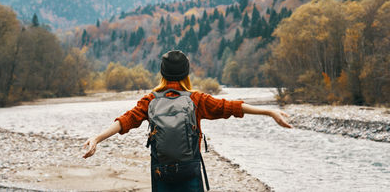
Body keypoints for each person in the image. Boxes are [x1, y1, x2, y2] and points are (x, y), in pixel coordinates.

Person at [83, 50, 292, 191]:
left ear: (162, 73)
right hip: (189, 170)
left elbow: (125, 121)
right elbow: (230, 107)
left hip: (160, 171)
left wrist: (97, 138)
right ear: (186, 73)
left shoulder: (150, 100)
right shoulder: (196, 99)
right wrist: (269, 112)